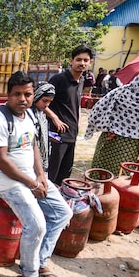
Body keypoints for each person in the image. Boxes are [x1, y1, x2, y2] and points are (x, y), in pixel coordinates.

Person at [0, 71, 72, 277]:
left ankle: (41, 261)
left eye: (27, 94)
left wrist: (42, 175)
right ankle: (29, 275)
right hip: (8, 181)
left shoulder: (29, 116)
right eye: (17, 94)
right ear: (8, 95)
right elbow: (2, 161)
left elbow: (32, 145)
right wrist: (32, 184)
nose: (22, 99)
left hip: (30, 177)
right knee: (37, 223)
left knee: (64, 213)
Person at [84, 67, 139, 175]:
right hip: (128, 146)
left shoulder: (121, 91)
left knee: (99, 172)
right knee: (118, 178)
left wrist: (108, 126)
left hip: (108, 137)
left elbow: (101, 108)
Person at [44, 44, 92, 185]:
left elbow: (75, 103)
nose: (82, 63)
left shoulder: (81, 80)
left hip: (72, 133)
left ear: (90, 63)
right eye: (78, 60)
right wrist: (55, 118)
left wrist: (79, 120)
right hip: (56, 133)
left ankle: (60, 198)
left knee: (65, 172)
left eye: (85, 60)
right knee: (52, 171)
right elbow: (40, 102)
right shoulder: (59, 80)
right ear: (71, 61)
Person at [30, 82, 56, 174]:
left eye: (50, 102)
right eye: (45, 101)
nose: (47, 105)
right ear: (36, 96)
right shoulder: (27, 114)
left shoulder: (41, 114)